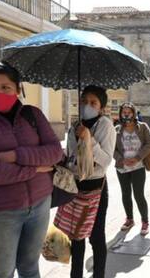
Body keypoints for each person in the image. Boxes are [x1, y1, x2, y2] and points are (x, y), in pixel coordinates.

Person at [0, 62, 63, 277]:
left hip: (40, 204)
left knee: (30, 267)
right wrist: (35, 169)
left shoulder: (32, 115)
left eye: (6, 87)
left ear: (17, 89)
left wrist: (15, 156)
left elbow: (54, 152)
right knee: (2, 273)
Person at [66, 85, 116, 278]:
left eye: (93, 102)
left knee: (96, 237)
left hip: (96, 187)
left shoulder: (105, 125)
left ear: (101, 107)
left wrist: (88, 139)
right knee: (76, 238)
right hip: (75, 186)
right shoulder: (75, 125)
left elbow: (105, 161)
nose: (87, 105)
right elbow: (71, 156)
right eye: (84, 101)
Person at [114, 102, 150, 236]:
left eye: (129, 112)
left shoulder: (142, 127)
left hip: (138, 167)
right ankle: (129, 219)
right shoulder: (117, 129)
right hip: (122, 168)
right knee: (125, 194)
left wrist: (138, 158)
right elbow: (112, 149)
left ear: (134, 113)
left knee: (139, 195)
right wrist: (121, 159)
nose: (126, 114)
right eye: (124, 112)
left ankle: (145, 221)